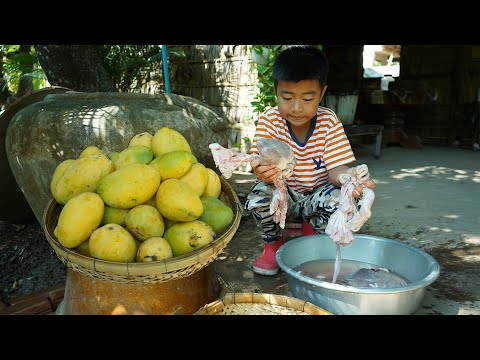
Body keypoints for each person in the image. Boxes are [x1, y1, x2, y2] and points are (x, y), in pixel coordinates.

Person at [244, 45, 377, 276]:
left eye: (307, 98)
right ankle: (272, 246)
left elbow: (336, 167)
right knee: (258, 195)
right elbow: (260, 165)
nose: (296, 108)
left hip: (316, 200)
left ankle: (309, 243)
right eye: (287, 97)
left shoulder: (329, 122)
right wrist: (262, 172)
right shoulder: (269, 121)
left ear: (322, 93)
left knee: (339, 198)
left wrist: (348, 178)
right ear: (275, 92)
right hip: (283, 196)